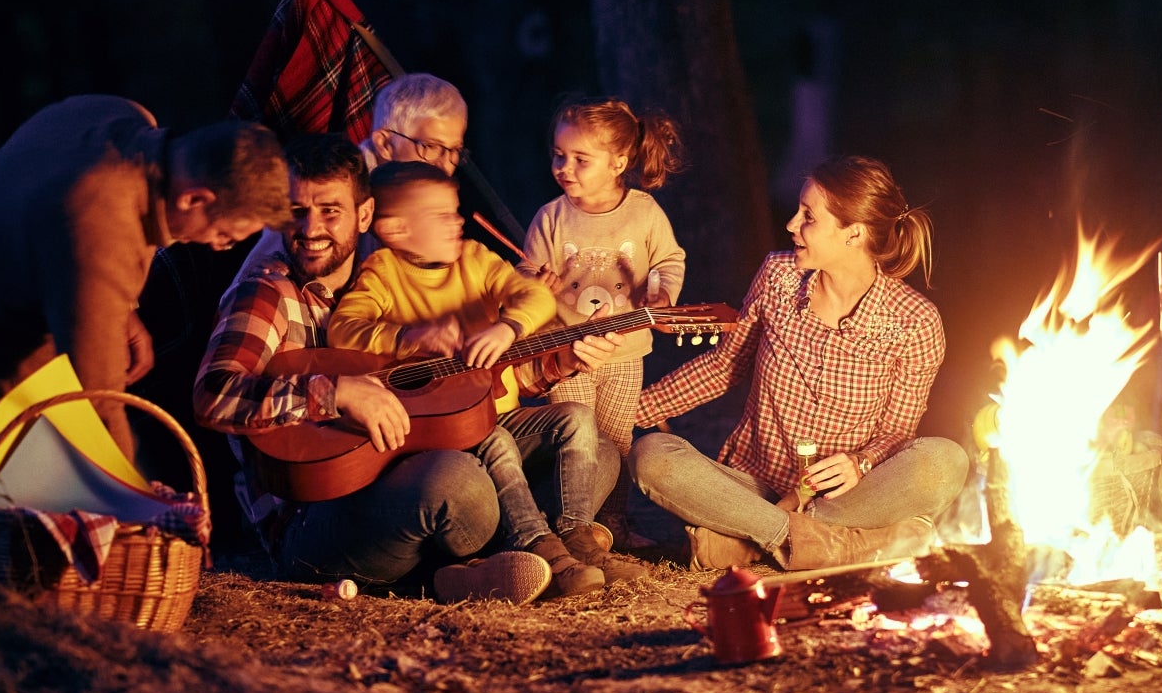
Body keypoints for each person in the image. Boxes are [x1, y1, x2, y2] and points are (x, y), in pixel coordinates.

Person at [0, 94, 290, 568]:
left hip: (17, 357)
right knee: (33, 546)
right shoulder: (101, 224)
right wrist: (135, 515)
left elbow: (65, 247)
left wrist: (120, 306)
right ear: (194, 198)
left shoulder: (123, 117)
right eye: (227, 234)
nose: (218, 245)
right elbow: (101, 401)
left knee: (70, 508)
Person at [194, 135, 573, 603]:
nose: (311, 228)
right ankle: (457, 570)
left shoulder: (383, 280)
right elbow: (213, 394)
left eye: (330, 210)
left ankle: (459, 573)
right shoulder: (267, 294)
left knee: (567, 441)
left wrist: (561, 360)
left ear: (365, 216)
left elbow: (442, 394)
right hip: (314, 513)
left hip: (394, 472)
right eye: (296, 210)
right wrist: (335, 393)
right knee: (458, 480)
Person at [629, 155, 967, 571]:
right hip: (753, 488)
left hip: (844, 500)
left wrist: (860, 464)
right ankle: (823, 543)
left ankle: (755, 538)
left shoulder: (915, 322)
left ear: (853, 233)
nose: (791, 224)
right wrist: (626, 411)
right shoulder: (779, 276)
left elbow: (897, 432)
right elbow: (725, 367)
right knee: (652, 456)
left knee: (946, 460)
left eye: (809, 216)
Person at [330, 161, 645, 594]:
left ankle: (577, 538)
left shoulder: (476, 260)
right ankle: (540, 547)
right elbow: (343, 329)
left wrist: (508, 326)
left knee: (577, 420)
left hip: (503, 416)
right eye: (441, 215)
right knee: (493, 438)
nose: (457, 220)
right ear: (396, 229)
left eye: (455, 210)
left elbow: (532, 293)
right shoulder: (382, 273)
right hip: (447, 436)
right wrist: (409, 336)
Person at [518, 96, 687, 540]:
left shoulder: (644, 212)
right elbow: (524, 278)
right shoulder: (550, 218)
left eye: (580, 159)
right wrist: (540, 286)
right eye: (559, 155)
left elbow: (669, 259)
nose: (564, 167)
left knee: (617, 440)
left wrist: (663, 290)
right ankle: (570, 524)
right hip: (566, 351)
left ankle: (612, 524)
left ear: (618, 162)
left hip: (626, 352)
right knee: (577, 442)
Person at [358, 73, 468, 176]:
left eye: (455, 150)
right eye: (431, 146)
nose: (446, 168)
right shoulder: (347, 192)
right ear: (385, 144)